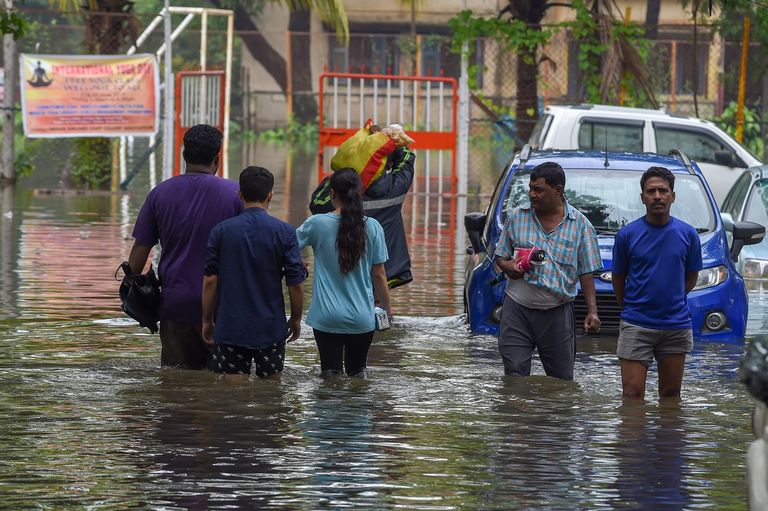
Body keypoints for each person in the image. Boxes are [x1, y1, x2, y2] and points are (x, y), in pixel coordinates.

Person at [128, 124, 242, 369]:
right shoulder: (236, 194)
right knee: (223, 384)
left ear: (184, 155)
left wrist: (134, 291)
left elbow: (138, 254)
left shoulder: (159, 194)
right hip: (223, 308)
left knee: (175, 387)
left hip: (174, 306)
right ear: (217, 159)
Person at [494, 161, 602, 380]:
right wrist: (510, 267)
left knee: (561, 381)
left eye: (539, 190)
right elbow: (500, 258)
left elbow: (586, 272)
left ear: (558, 190)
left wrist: (593, 311)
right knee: (515, 376)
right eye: (531, 189)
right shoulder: (517, 216)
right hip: (517, 310)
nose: (532, 195)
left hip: (557, 314)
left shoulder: (581, 225)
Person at [201, 166, 306, 379]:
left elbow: (210, 281)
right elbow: (295, 283)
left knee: (232, 400)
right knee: (270, 395)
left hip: (231, 327)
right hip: (270, 328)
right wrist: (295, 319)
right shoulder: (285, 232)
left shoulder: (221, 231)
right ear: (270, 196)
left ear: (240, 194)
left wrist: (207, 320)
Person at [612, 166, 702, 399]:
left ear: (673, 196)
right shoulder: (627, 235)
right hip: (637, 323)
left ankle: (668, 437)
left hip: (675, 324)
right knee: (631, 394)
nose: (657, 196)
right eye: (651, 191)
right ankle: (633, 435)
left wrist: (672, 297)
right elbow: (618, 277)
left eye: (663, 190)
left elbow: (691, 276)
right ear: (642, 197)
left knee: (671, 395)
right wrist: (632, 306)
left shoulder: (688, 234)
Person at [297, 168, 392, 377]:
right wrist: (387, 310)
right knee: (358, 375)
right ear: (359, 193)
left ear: (332, 194)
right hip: (362, 318)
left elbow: (287, 249)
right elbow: (379, 275)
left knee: (330, 377)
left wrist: (300, 265)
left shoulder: (316, 224)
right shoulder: (373, 227)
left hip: (327, 317)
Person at [363, 145, 415, 288]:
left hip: (353, 267)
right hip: (390, 268)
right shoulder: (397, 187)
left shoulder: (346, 191)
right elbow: (407, 158)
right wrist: (390, 141)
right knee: (378, 303)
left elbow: (317, 202)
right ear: (390, 164)